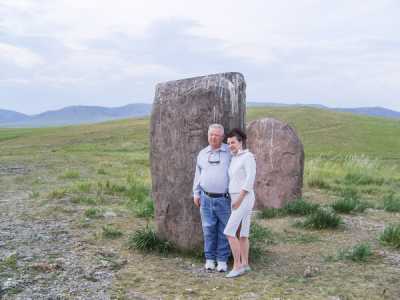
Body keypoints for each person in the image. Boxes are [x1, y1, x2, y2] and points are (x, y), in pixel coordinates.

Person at [193, 124, 232, 272]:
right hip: (205, 198)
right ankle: (209, 259)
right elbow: (198, 175)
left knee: (224, 230)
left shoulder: (229, 152)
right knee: (208, 229)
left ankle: (222, 260)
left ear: (222, 137)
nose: (213, 137)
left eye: (216, 135)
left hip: (224, 199)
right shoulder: (202, 153)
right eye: (211, 134)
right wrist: (196, 193)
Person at [224, 128, 256, 278]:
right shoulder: (235, 157)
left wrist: (239, 199)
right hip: (236, 197)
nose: (231, 145)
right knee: (243, 233)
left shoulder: (248, 157)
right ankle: (245, 263)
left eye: (233, 142)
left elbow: (250, 180)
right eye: (229, 143)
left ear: (240, 142)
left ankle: (237, 266)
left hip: (244, 197)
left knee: (229, 231)